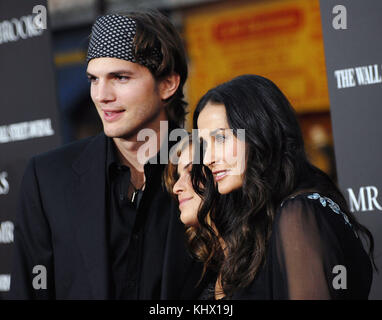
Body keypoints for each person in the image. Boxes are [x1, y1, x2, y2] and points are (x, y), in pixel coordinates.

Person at [10, 11, 208, 299]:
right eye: (94, 79)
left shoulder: (209, 172)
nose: (101, 95)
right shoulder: (49, 178)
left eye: (120, 77)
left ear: (168, 84)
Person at [169, 74, 376, 299]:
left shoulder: (299, 212)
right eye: (204, 145)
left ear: (260, 131)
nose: (208, 158)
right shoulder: (261, 225)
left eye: (220, 138)